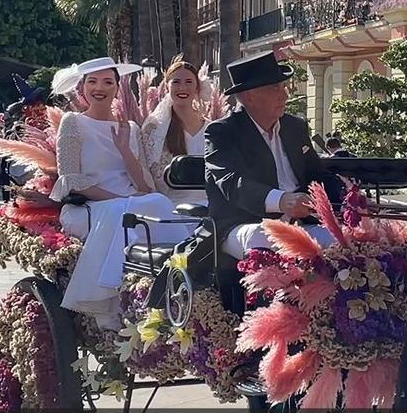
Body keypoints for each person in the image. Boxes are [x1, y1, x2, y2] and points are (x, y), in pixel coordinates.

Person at [49, 57, 190, 329]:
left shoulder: (131, 128)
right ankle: (102, 302)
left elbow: (145, 186)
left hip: (131, 203)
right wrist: (120, 200)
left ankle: (184, 275)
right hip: (87, 207)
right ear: (83, 88)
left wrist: (125, 149)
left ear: (117, 87)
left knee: (158, 201)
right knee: (121, 212)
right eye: (93, 81)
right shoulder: (73, 122)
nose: (99, 87)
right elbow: (72, 181)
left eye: (107, 82)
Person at [205, 51, 344, 260]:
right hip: (243, 224)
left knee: (347, 240)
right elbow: (232, 183)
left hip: (299, 224)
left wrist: (347, 196)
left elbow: (317, 175)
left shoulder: (295, 127)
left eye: (283, 87)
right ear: (248, 96)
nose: (285, 95)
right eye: (275, 88)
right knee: (261, 238)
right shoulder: (222, 132)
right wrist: (282, 200)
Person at [141, 55, 209, 206]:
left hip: (212, 204)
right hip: (172, 206)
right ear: (167, 87)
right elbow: (150, 175)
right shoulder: (155, 128)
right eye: (176, 82)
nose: (182, 88)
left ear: (197, 87)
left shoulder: (212, 128)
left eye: (189, 82)